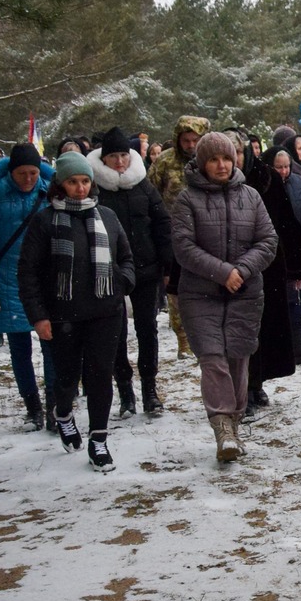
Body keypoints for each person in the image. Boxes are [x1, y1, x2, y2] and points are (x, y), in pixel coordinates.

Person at [19, 151, 134, 472]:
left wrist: (122, 282)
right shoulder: (44, 222)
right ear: (60, 184)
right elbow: (28, 272)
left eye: (85, 181)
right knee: (67, 377)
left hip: (106, 312)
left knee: (100, 375)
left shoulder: (108, 217)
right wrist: (38, 315)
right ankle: (63, 412)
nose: (80, 188)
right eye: (73, 182)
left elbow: (126, 258)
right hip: (63, 315)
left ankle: (99, 439)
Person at [169, 132, 278, 462]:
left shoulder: (251, 197)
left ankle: (234, 420)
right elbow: (184, 247)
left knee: (237, 358)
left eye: (227, 158)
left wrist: (242, 271)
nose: (221, 165)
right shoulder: (187, 200)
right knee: (213, 358)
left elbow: (268, 241)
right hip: (200, 294)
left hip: (245, 294)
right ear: (202, 163)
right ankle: (223, 429)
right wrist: (221, 272)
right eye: (214, 159)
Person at [0, 143, 57, 430]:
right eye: (22, 173)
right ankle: (32, 406)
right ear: (11, 172)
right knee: (20, 349)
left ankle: (55, 407)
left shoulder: (49, 193)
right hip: (8, 280)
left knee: (51, 346)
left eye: (33, 173)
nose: (29, 179)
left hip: (45, 280)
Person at [92, 127, 174, 419]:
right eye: (113, 156)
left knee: (147, 329)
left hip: (146, 269)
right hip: (110, 273)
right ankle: (125, 390)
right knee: (116, 333)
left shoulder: (143, 185)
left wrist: (167, 264)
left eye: (123, 155)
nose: (119, 162)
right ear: (104, 159)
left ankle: (150, 389)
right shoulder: (96, 188)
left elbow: (162, 225)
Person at [241, 146, 301, 410]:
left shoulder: (267, 179)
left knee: (266, 327)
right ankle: (241, 387)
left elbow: (288, 223)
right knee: (239, 331)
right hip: (230, 266)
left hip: (269, 263)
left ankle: (256, 383)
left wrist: (298, 266)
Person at [149, 115, 209, 357]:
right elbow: (150, 195)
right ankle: (183, 339)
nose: (191, 145)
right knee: (176, 289)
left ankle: (204, 333)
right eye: (186, 140)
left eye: (196, 140)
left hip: (206, 233)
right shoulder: (165, 162)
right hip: (174, 234)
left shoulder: (210, 161)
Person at [271, 145, 301, 362]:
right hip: (278, 251)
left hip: (300, 248)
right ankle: (286, 348)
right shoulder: (268, 186)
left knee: (300, 300)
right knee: (285, 302)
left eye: (287, 166)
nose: (284, 171)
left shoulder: (297, 182)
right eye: (279, 167)